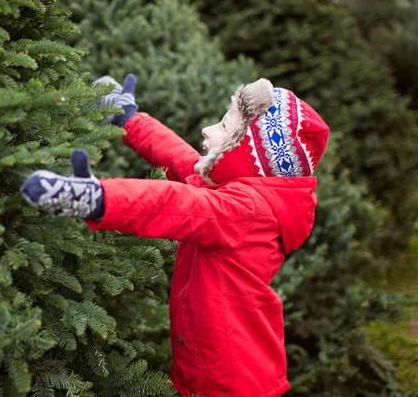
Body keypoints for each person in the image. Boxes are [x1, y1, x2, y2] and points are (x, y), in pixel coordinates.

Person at [20, 74, 330, 397]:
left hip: (231, 385)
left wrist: (97, 199)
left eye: (224, 127)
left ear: (247, 156)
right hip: (226, 372)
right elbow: (179, 158)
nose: (207, 131)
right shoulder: (234, 193)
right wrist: (130, 120)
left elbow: (173, 203)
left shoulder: (244, 210)